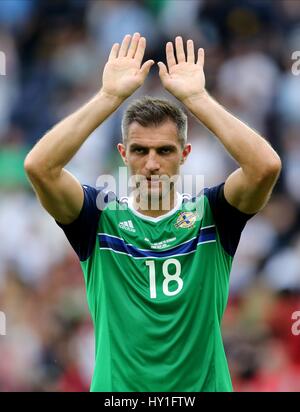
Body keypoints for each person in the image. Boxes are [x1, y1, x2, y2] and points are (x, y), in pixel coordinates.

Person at [24, 33, 281, 392]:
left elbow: (265, 167)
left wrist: (197, 99)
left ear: (185, 154)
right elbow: (39, 167)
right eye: (140, 151)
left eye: (164, 150)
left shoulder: (211, 216)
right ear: (123, 154)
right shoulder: (98, 220)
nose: (152, 164)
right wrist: (109, 97)